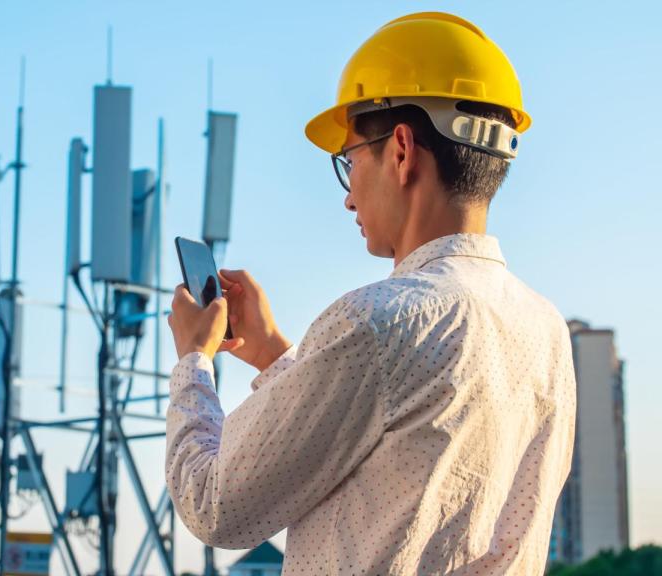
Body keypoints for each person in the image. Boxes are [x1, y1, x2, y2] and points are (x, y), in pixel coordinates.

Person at [165, 12, 576, 575]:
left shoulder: (378, 323)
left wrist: (194, 361)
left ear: (402, 149)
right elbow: (387, 430)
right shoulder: (546, 331)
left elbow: (213, 507)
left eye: (350, 161)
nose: (349, 198)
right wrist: (269, 352)